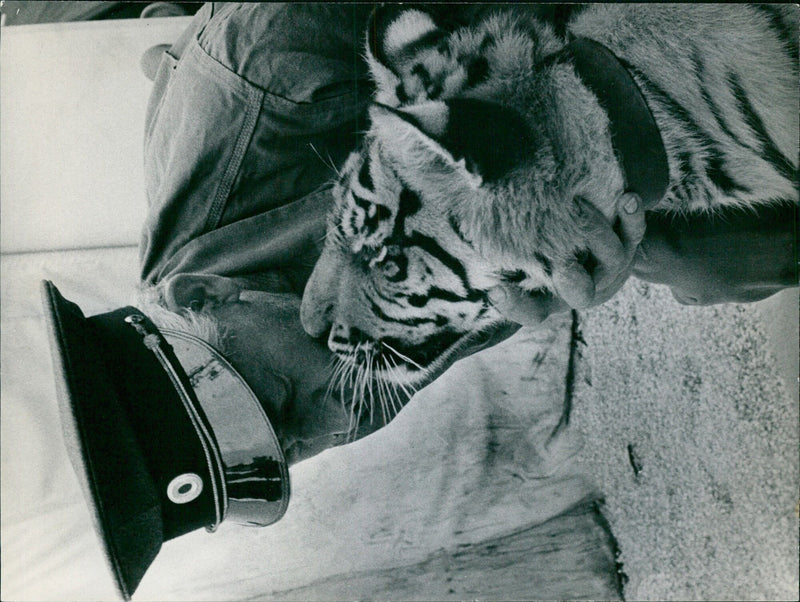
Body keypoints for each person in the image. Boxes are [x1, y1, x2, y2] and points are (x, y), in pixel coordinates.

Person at [42, 3, 796, 599]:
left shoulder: (260, 78)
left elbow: (428, 55)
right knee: (724, 263)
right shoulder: (298, 380)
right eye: (294, 451)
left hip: (469, 84)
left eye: (282, 399)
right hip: (484, 158)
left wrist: (527, 103)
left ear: (208, 292)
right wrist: (570, 266)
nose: (337, 419)